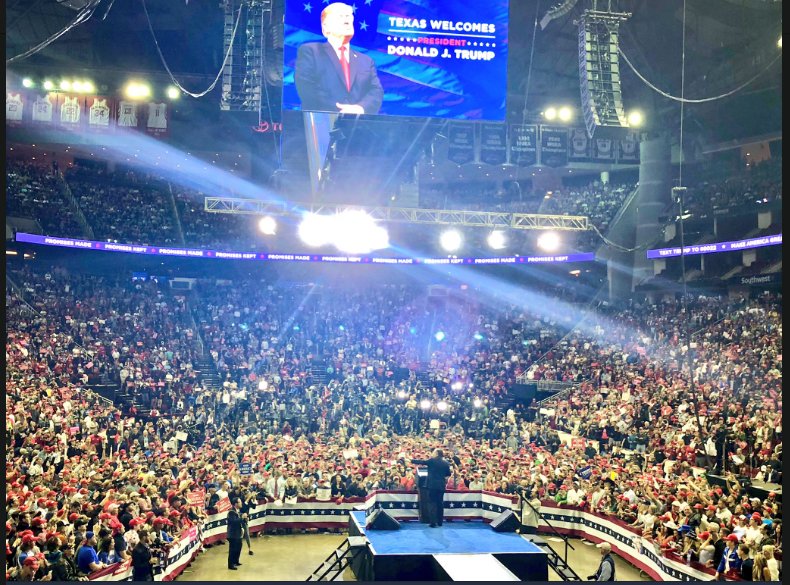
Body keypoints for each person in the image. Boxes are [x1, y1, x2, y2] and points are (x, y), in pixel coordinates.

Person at [294, 2, 384, 115]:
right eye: (341, 16)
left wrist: (360, 108)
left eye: (349, 16)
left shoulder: (366, 61)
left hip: (359, 123)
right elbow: (307, 87)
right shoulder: (311, 51)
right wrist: (341, 110)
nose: (347, 19)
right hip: (322, 121)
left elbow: (376, 91)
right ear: (326, 27)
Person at [411, 448, 451, 528]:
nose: (432, 453)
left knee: (432, 503)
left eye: (433, 452)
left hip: (432, 485)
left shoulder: (432, 461)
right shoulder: (446, 463)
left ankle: (433, 522)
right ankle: (440, 522)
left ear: (436, 453)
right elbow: (448, 474)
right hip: (441, 485)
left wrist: (412, 460)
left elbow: (423, 462)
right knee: (440, 503)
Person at [227, 497, 244, 570]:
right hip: (233, 534)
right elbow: (234, 521)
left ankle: (236, 561)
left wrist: (245, 519)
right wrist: (242, 518)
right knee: (233, 550)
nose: (241, 503)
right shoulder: (231, 512)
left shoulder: (238, 511)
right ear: (236, 504)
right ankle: (231, 565)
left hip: (238, 533)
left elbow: (239, 521)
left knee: (238, 547)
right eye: (240, 502)